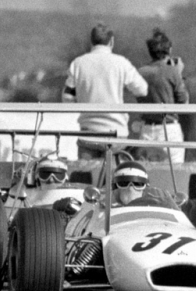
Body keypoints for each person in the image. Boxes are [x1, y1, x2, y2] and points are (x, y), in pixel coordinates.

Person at [62, 23, 148, 160]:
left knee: (87, 178)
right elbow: (142, 89)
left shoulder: (78, 63)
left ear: (91, 41)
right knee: (115, 178)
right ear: (111, 41)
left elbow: (67, 97)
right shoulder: (121, 63)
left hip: (88, 134)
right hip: (117, 135)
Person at [135, 28, 189, 163]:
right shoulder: (172, 72)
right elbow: (184, 101)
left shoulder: (140, 72)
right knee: (174, 170)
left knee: (146, 170)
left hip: (147, 128)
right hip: (169, 128)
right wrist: (179, 74)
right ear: (169, 50)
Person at [111, 161, 179, 209]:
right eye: (124, 183)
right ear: (115, 187)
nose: (131, 188)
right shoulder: (107, 208)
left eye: (137, 184)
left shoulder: (159, 202)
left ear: (145, 187)